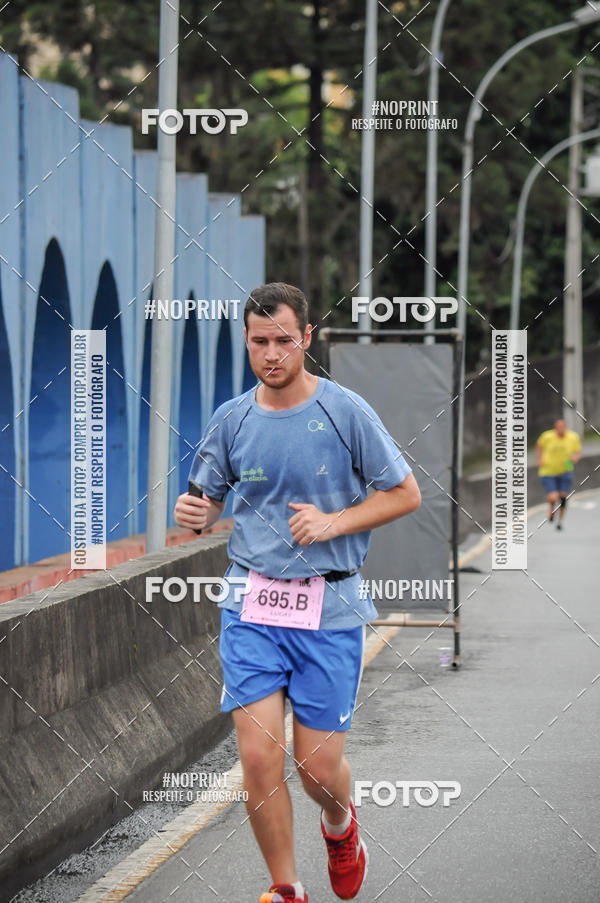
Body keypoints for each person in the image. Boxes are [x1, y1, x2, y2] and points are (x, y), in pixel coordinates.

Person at [174, 282, 421, 903]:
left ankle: (340, 825)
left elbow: (405, 493)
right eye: (259, 342)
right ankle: (286, 888)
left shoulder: (346, 412)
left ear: (306, 338)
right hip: (251, 606)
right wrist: (196, 512)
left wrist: (332, 522)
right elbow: (205, 498)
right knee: (258, 760)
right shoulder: (231, 419)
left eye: (284, 341)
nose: (272, 354)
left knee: (315, 769)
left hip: (329, 607)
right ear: (248, 344)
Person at [536, 419, 581, 530]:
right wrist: (540, 458)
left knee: (563, 498)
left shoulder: (573, 437)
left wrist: (575, 457)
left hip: (566, 469)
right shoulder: (547, 436)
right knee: (553, 497)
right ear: (555, 428)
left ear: (566, 427)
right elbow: (538, 446)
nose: (560, 429)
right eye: (558, 427)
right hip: (548, 470)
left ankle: (560, 521)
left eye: (563, 427)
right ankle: (551, 507)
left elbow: (578, 451)